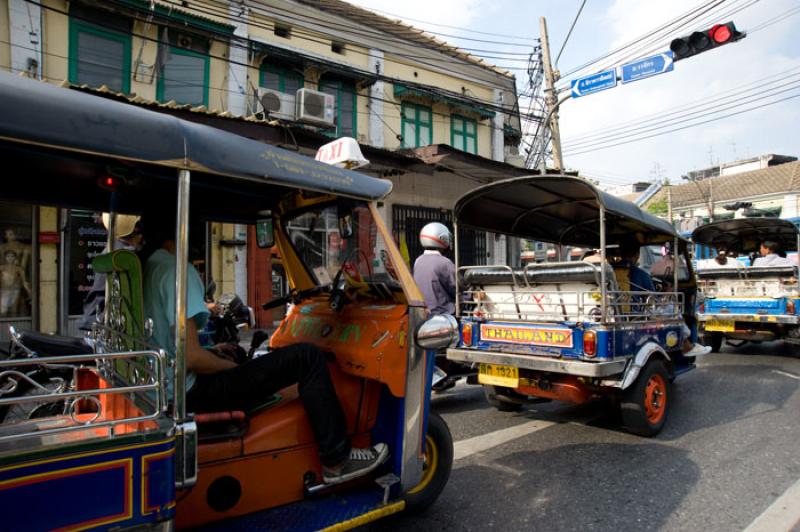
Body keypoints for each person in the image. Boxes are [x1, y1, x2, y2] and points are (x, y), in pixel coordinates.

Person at [141, 214, 387, 485]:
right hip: (192, 391)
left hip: (165, 386)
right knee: (308, 357)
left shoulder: (151, 265)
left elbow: (176, 342)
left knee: (237, 353)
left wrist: (215, 351)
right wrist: (236, 369)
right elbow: (192, 358)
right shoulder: (177, 269)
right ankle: (337, 460)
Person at [79, 214, 144, 330]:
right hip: (106, 325)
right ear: (137, 230)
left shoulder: (110, 251)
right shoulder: (127, 257)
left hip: (95, 321)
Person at [412, 222, 456, 316]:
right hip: (442, 313)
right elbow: (457, 289)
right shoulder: (444, 262)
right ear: (442, 238)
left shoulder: (418, 261)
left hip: (423, 312)